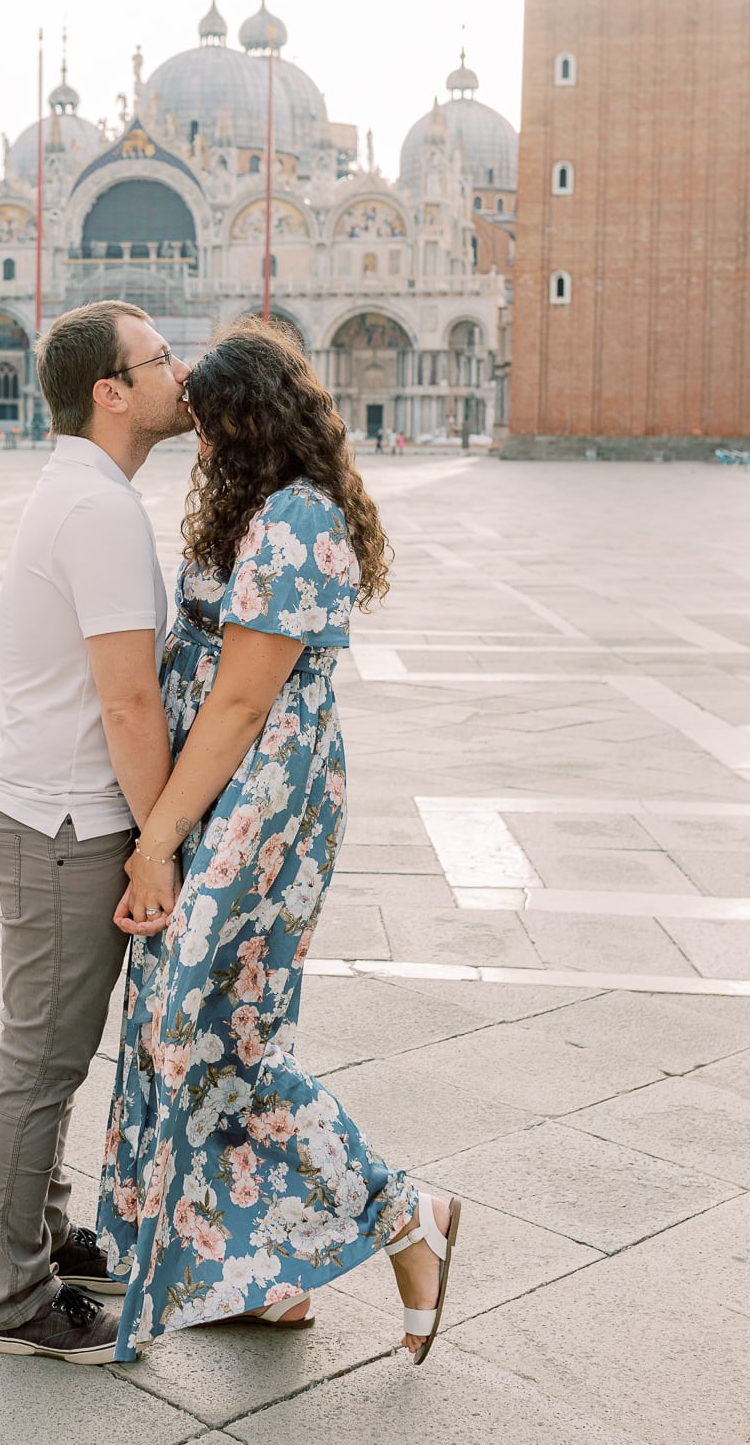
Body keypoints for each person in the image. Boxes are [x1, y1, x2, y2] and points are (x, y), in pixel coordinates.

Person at [96, 319, 460, 1366]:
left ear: (254, 423)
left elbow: (246, 700)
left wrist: (160, 836)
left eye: (213, 427)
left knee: (225, 1042)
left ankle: (403, 1214)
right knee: (191, 1028)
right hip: (218, 794)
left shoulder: (298, 518)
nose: (201, 446)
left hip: (255, 799)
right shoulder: (258, 505)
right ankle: (273, 1278)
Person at [0, 300, 192, 1366]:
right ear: (112, 392)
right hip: (63, 819)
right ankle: (17, 1301)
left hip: (50, 810)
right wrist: (161, 841)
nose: (178, 370)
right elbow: (128, 704)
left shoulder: (88, 490)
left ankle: (50, 1241)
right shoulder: (98, 510)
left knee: (53, 1053)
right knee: (40, 1062)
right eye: (159, 359)